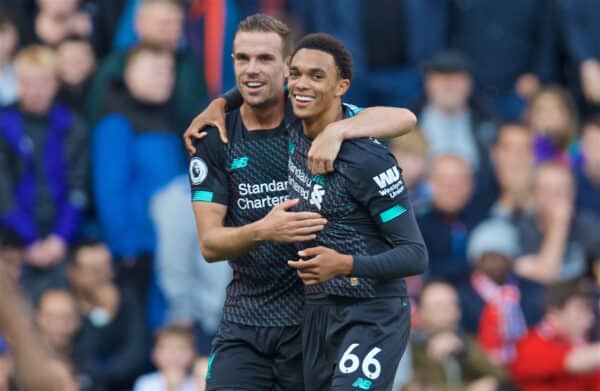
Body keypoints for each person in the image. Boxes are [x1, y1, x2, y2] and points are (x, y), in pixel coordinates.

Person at [189, 14, 417, 391]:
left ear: (285, 68)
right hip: (245, 321)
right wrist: (266, 229)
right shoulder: (216, 138)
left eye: (265, 59)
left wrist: (339, 129)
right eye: (241, 58)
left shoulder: (306, 116)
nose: (251, 69)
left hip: (312, 323)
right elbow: (210, 245)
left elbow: (404, 117)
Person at [285, 32, 427, 390]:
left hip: (372, 311)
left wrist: (345, 264)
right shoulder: (290, 126)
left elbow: (415, 255)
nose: (302, 84)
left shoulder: (367, 160)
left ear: (341, 86)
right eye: (295, 73)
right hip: (317, 309)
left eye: (317, 76)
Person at [411, 281, 505, 390]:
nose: (446, 310)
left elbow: (500, 376)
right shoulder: (411, 348)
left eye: (451, 303)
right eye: (438, 305)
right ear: (420, 313)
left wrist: (463, 350)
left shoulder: (468, 342)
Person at [510, 282, 600, 391]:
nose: (589, 319)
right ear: (555, 312)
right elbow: (572, 361)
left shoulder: (582, 347)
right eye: (581, 311)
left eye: (590, 312)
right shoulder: (530, 343)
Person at [133, 326, 197, 391]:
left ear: (193, 353)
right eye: (167, 348)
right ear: (154, 354)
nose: (173, 354)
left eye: (181, 348)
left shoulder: (198, 382)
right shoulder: (145, 383)